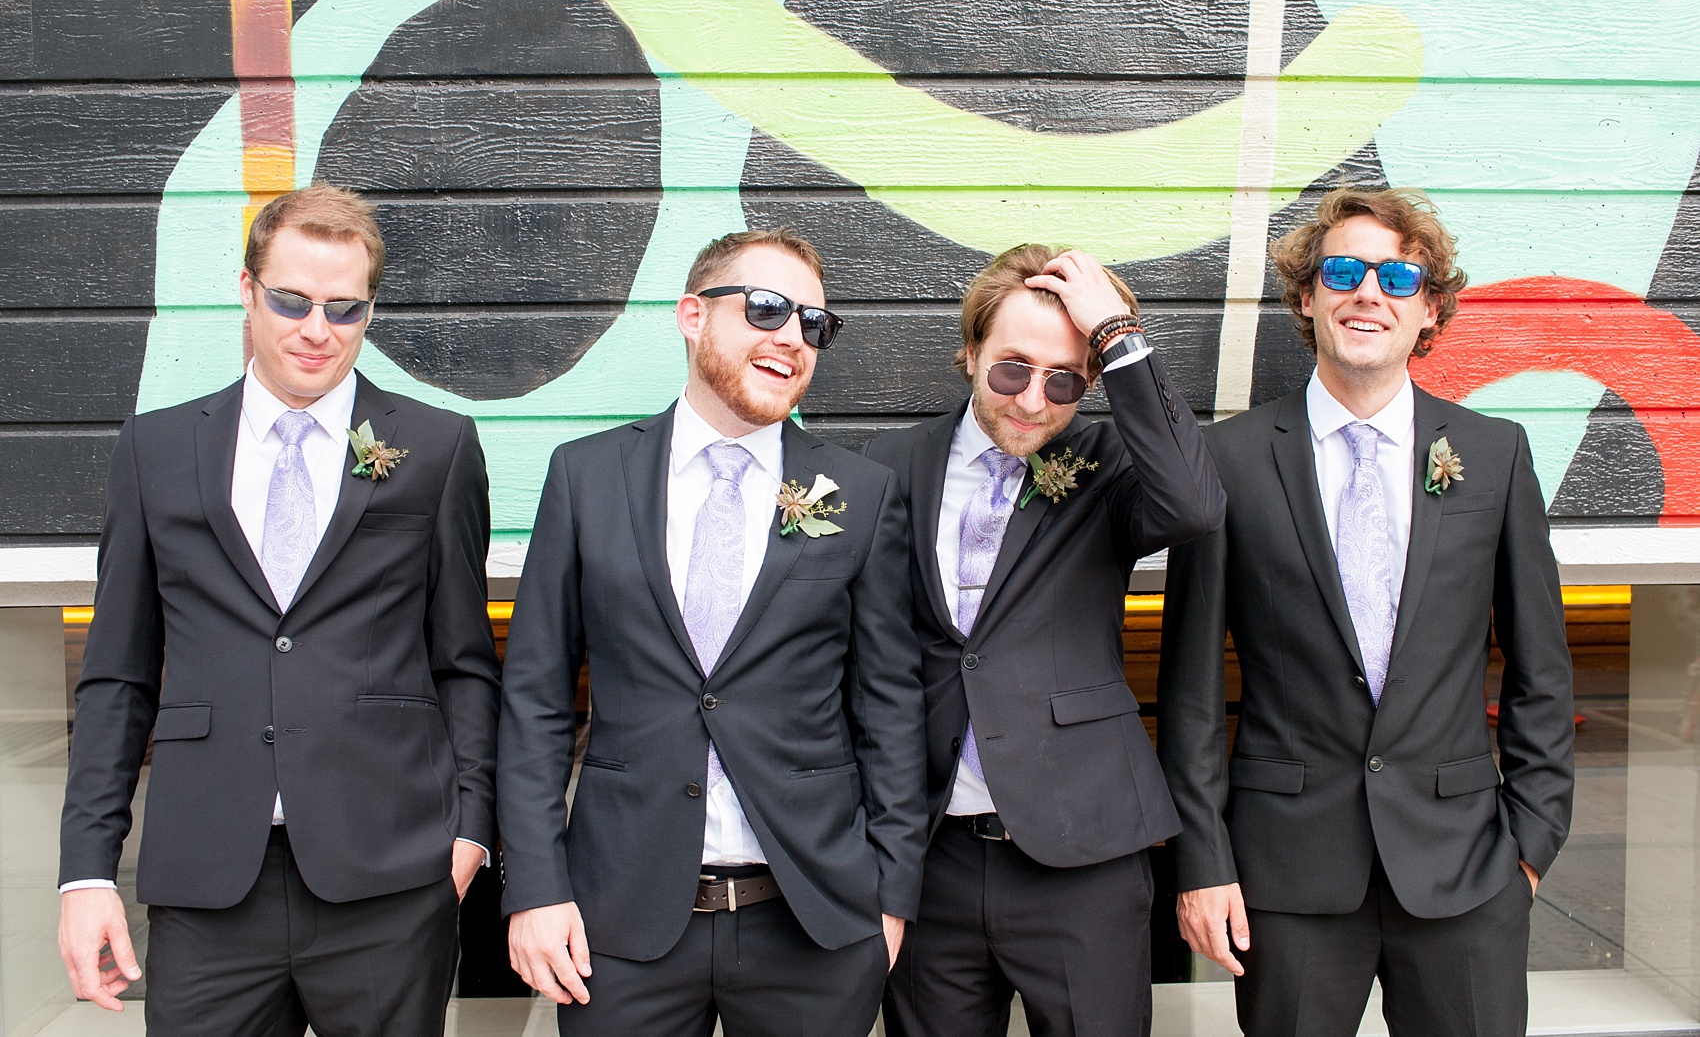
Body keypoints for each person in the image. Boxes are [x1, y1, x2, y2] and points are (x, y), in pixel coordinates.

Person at [57, 183, 501, 1033]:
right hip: (208, 876)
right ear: (247, 288)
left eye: (345, 308)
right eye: (293, 300)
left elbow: (465, 663)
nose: (316, 329)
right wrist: (86, 872)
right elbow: (116, 677)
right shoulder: (156, 450)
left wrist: (471, 828)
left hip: (391, 875)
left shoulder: (439, 448)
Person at [1159, 187, 1575, 1037]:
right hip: (1288, 877)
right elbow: (1193, 692)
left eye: (1397, 276)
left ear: (1429, 309)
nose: (1368, 292)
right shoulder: (1228, 460)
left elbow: (1542, 668)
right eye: (1343, 270)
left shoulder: (1494, 455)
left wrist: (1528, 846)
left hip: (1466, 869)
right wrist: (1203, 862)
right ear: (1307, 297)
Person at [498, 228, 927, 1037]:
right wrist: (535, 887)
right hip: (615, 927)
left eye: (813, 323)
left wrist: (890, 898)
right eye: (767, 307)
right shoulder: (585, 477)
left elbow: (891, 709)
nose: (792, 336)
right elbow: (535, 701)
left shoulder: (861, 494)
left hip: (814, 925)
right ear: (693, 314)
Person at [864, 245, 1224, 1036]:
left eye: (1064, 380)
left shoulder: (1108, 461)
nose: (1034, 400)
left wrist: (1118, 335)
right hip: (930, 856)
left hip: (1084, 853)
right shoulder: (886, 466)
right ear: (968, 354)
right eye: (1010, 370)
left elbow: (1196, 505)